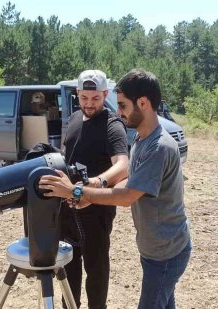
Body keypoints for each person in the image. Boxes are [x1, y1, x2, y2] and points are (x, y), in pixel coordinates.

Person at [40, 68, 192, 309]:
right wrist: (93, 187)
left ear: (142, 103)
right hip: (155, 248)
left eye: (121, 105)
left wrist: (77, 192)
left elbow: (127, 195)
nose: (118, 112)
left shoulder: (158, 147)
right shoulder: (143, 139)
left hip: (166, 252)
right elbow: (132, 179)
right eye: (84, 98)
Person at [59, 69, 129, 309]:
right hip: (68, 210)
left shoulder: (112, 125)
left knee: (96, 270)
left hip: (95, 211)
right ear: (78, 94)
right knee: (68, 267)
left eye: (96, 99)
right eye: (84, 98)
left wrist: (97, 182)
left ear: (105, 94)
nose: (89, 104)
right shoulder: (75, 118)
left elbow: (122, 165)